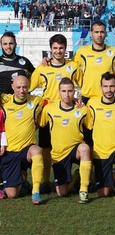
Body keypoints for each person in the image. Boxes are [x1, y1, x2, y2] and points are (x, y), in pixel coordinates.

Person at [30, 34, 81, 193]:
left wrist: (79, 99)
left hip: (69, 114)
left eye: (61, 48)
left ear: (65, 49)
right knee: (46, 148)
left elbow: (84, 85)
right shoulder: (42, 68)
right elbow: (28, 87)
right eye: (55, 48)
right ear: (50, 50)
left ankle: (81, 176)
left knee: (72, 145)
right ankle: (45, 181)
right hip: (49, 114)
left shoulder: (73, 66)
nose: (58, 51)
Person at [39, 77, 92, 203]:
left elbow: (91, 126)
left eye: (69, 91)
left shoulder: (82, 109)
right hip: (59, 154)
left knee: (85, 148)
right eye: (64, 91)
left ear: (74, 92)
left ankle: (83, 190)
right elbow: (40, 124)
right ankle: (77, 175)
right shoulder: (49, 109)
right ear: (59, 92)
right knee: (62, 192)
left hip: (76, 148)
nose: (67, 94)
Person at [86, 72, 115, 201]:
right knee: (104, 193)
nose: (109, 90)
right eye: (106, 86)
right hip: (100, 152)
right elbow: (87, 124)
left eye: (112, 86)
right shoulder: (92, 104)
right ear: (101, 87)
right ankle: (112, 174)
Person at [1, 76, 44, 204]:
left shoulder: (36, 101)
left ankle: (36, 192)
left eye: (25, 87)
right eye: (18, 87)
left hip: (26, 151)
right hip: (9, 152)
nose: (22, 90)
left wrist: (75, 100)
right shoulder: (5, 101)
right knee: (12, 194)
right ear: (13, 87)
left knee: (36, 150)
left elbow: (56, 102)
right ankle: (22, 179)